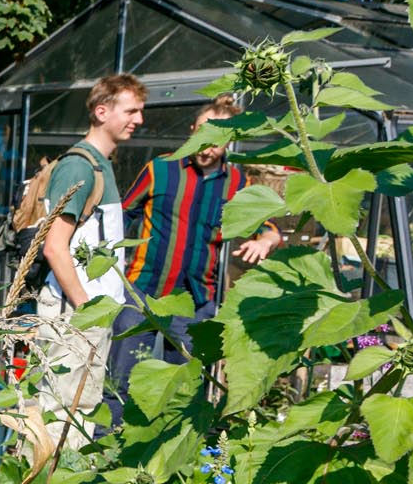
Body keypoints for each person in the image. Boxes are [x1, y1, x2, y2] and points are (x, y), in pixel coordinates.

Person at [108, 94, 284, 408]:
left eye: (219, 136)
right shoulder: (161, 169)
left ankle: (169, 452)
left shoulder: (238, 183)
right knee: (122, 381)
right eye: (204, 132)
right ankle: (106, 449)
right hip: (143, 291)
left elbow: (270, 229)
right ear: (192, 129)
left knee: (184, 390)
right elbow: (122, 215)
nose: (208, 143)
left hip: (197, 301)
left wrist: (264, 242)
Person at [32, 73, 144, 442]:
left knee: (80, 409)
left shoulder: (101, 164)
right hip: (75, 310)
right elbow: (53, 245)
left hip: (92, 310)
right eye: (131, 111)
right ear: (101, 111)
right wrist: (85, 306)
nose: (138, 120)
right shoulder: (79, 166)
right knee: (62, 412)